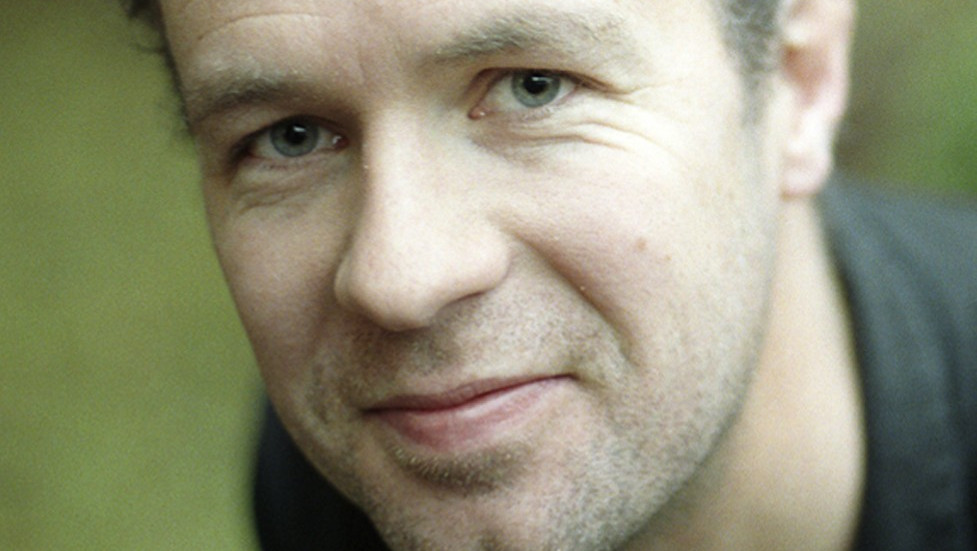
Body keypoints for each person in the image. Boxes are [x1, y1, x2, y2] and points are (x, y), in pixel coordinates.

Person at [123, 0, 977, 549]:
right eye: (290, 137)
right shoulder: (360, 464)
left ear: (799, 76)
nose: (395, 279)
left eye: (534, 88)